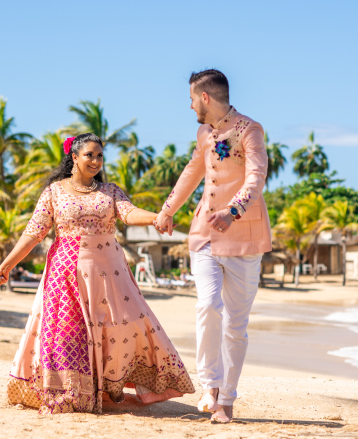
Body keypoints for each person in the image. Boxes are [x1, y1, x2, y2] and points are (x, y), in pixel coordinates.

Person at [0, 133, 194, 415]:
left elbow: (129, 212)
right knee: (66, 333)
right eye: (89, 154)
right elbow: (32, 234)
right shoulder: (54, 192)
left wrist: (156, 216)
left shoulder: (110, 191)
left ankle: (106, 387)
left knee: (120, 329)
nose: (96, 161)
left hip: (109, 276)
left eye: (100, 155)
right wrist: (7, 264)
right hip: (66, 274)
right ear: (74, 157)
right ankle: (70, 392)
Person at [155, 69, 272, 423]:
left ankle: (227, 401)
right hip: (204, 234)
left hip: (244, 238)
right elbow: (193, 171)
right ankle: (210, 385)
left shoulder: (250, 130)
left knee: (235, 325)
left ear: (205, 97)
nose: (189, 106)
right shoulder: (204, 133)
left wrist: (233, 210)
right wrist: (167, 210)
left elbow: (256, 176)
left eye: (192, 99)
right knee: (208, 305)